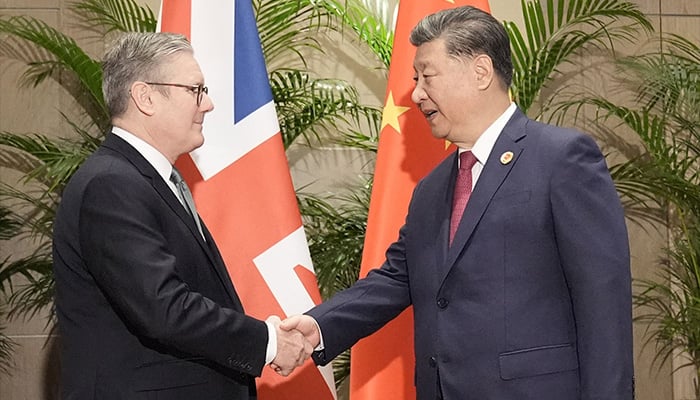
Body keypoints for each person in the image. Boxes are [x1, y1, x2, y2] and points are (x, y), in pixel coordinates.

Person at [280, 5, 633, 400]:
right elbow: (397, 278)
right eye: (415, 79)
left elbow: (603, 302)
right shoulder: (431, 188)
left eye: (427, 76)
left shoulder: (561, 158)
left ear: (481, 71)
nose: (415, 94)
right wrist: (320, 326)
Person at [52, 32, 311, 400]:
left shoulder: (147, 178)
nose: (208, 105)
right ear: (145, 97)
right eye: (196, 90)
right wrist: (268, 342)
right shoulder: (112, 184)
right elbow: (164, 309)